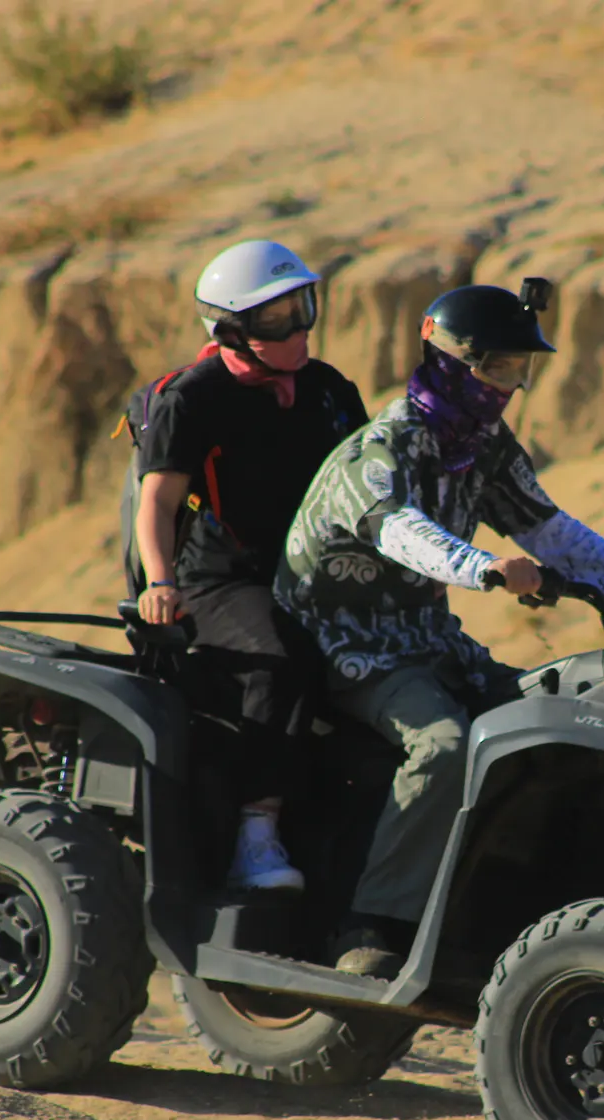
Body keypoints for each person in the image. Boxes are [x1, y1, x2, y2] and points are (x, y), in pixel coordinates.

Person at [276, 280, 604, 977]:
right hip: (347, 646)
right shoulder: (378, 451)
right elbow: (402, 534)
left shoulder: (483, 447)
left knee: (556, 720)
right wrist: (486, 569)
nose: (509, 385)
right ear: (450, 361)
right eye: (496, 367)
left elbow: (553, 532)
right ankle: (373, 925)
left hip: (427, 640)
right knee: (444, 744)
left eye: (518, 369)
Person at [128, 240, 369, 892]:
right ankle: (254, 837)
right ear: (231, 329)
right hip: (220, 581)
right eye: (275, 317)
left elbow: (371, 488)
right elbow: (159, 502)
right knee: (282, 656)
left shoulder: (329, 391)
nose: (298, 327)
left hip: (314, 575)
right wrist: (160, 582)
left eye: (303, 306)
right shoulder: (195, 397)